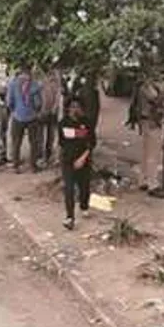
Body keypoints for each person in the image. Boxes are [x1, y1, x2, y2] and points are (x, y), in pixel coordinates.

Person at [59, 98, 95, 230]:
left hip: (83, 161)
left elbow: (92, 143)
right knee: (69, 189)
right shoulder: (63, 123)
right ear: (68, 108)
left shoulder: (86, 123)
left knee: (84, 187)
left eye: (78, 107)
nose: (75, 109)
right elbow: (62, 143)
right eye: (72, 107)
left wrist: (83, 158)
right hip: (68, 161)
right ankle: (69, 217)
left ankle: (84, 206)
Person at [6, 67, 43, 173]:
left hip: (17, 116)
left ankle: (16, 166)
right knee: (34, 142)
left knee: (16, 142)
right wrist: (36, 111)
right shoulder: (34, 85)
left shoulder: (13, 84)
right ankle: (33, 166)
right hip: (32, 117)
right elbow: (38, 103)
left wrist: (14, 110)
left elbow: (9, 102)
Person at [38, 68, 63, 167]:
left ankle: (46, 156)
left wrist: (54, 108)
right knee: (44, 136)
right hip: (46, 112)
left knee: (49, 136)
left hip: (50, 113)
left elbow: (57, 98)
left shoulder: (52, 84)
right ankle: (43, 156)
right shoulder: (43, 83)